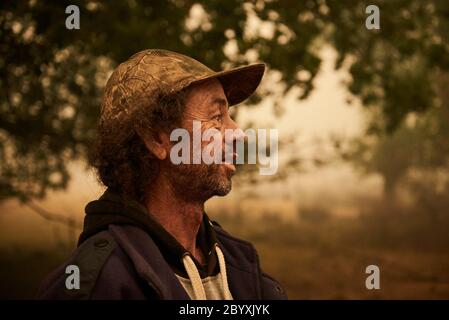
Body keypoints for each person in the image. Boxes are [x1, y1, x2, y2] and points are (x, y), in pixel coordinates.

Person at [38, 49, 287, 300]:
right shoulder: (98, 284)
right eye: (216, 117)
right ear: (158, 138)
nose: (239, 134)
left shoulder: (239, 263)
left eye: (229, 116)